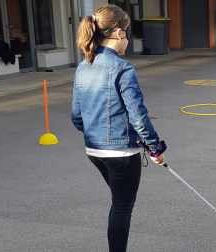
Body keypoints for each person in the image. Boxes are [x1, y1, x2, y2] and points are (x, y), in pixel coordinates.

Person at [71, 5, 166, 252]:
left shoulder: (83, 67)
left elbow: (77, 117)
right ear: (118, 33)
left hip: (95, 152)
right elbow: (138, 115)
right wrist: (155, 148)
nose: (128, 38)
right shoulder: (122, 68)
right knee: (123, 207)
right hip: (121, 155)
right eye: (127, 31)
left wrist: (98, 136)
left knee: (119, 203)